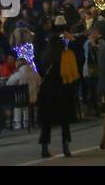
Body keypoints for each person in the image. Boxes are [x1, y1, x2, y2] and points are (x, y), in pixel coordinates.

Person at [35, 29, 74, 158]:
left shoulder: (44, 56)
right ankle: (66, 146)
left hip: (47, 91)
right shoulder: (63, 56)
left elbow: (40, 73)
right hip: (61, 89)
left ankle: (44, 147)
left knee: (46, 121)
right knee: (64, 121)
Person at [6, 57, 41, 129]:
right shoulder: (34, 73)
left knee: (18, 100)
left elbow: (8, 83)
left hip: (21, 99)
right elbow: (39, 82)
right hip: (33, 98)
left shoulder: (18, 74)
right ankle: (26, 121)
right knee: (25, 102)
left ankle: (18, 122)